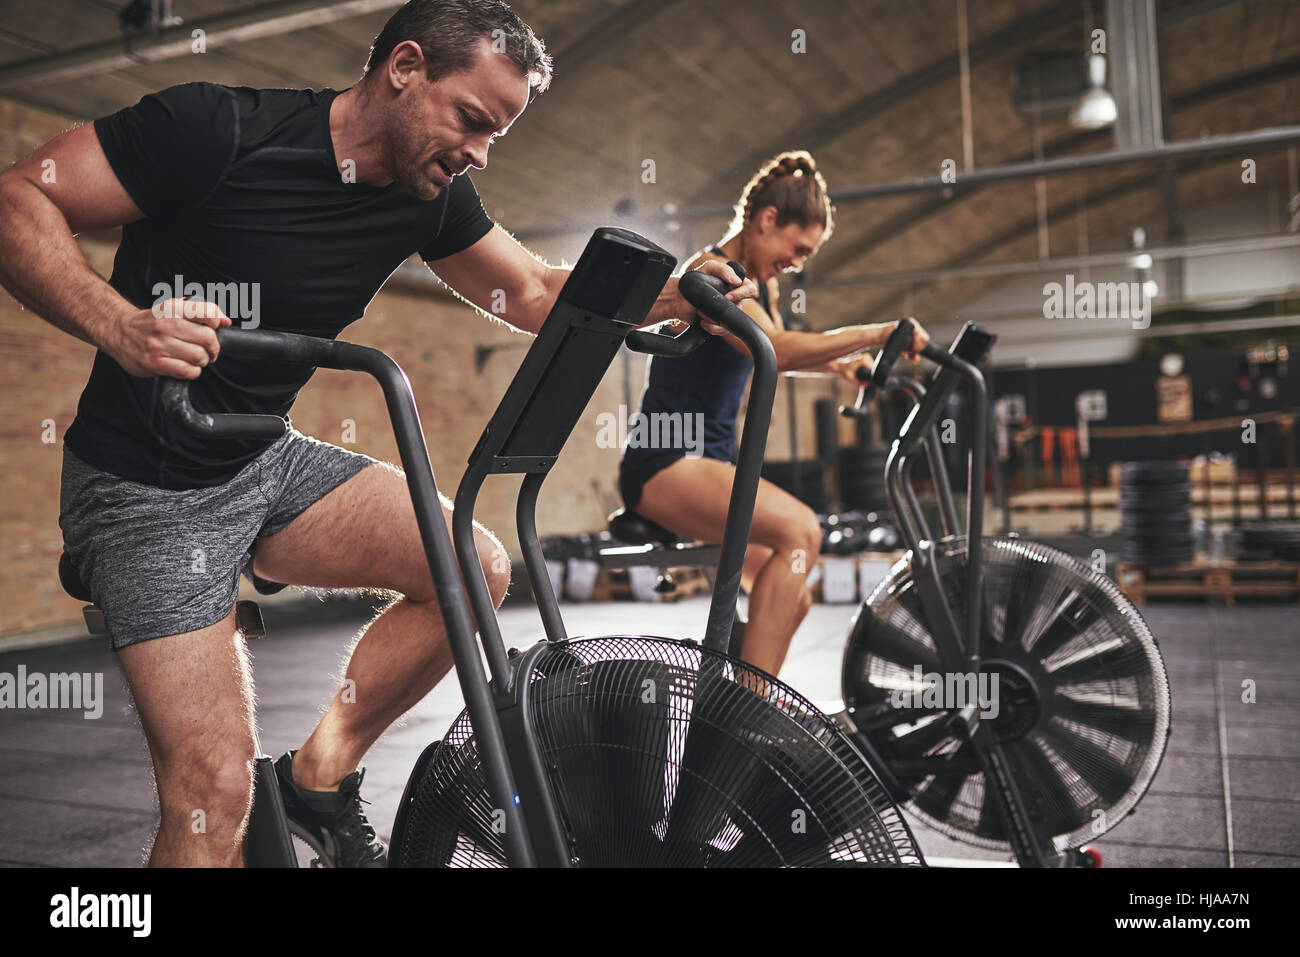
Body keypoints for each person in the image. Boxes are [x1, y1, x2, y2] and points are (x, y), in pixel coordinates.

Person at [0, 0, 754, 867]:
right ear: (404, 69)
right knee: (213, 795)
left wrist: (679, 291)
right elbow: (19, 196)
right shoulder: (213, 129)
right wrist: (120, 324)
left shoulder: (428, 194)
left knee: (472, 569)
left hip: (260, 456)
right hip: (145, 488)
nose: (479, 152)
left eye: (496, 135)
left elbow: (533, 291)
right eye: (472, 119)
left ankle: (316, 779)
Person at [619, 151, 930, 678]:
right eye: (798, 248)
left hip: (707, 464)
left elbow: (770, 350)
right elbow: (777, 350)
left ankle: (740, 695)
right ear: (766, 220)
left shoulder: (761, 286)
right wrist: (876, 333)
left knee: (795, 592)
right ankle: (748, 710)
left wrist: (841, 367)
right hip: (666, 461)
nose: (798, 261)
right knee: (802, 532)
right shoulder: (712, 274)